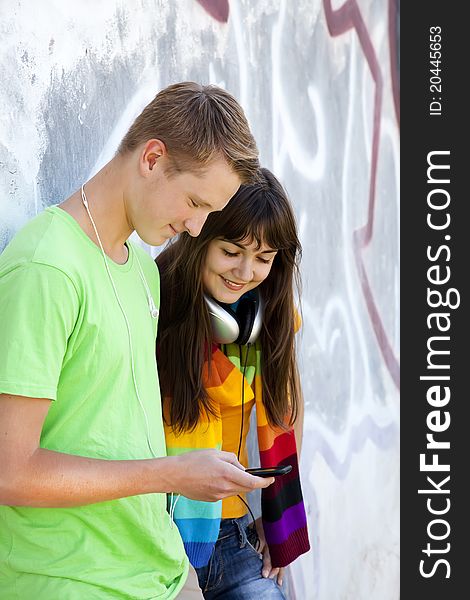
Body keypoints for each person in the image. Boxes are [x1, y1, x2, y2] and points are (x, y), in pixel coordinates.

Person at [0, 82, 274, 600]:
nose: (195, 228)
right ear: (152, 157)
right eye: (195, 202)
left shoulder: (142, 270)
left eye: (208, 214)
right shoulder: (47, 268)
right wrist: (172, 473)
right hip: (73, 582)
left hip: (161, 572)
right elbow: (10, 470)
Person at [156, 168, 311, 599]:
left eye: (264, 258)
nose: (245, 272)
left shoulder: (270, 317)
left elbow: (287, 410)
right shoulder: (154, 307)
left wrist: (273, 518)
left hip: (233, 529)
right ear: (201, 238)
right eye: (231, 252)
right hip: (159, 529)